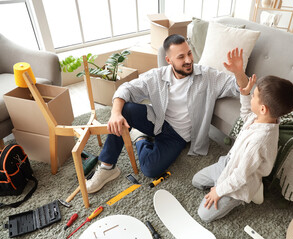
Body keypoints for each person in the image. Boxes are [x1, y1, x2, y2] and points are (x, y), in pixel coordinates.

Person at [86, 34, 249, 194]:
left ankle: (140, 138)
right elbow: (126, 88)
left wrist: (238, 73)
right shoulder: (156, 76)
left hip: (177, 135)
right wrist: (115, 114)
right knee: (124, 109)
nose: (188, 60)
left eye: (189, 53)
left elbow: (237, 87)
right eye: (181, 57)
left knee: (150, 169)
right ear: (169, 60)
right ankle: (107, 167)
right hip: (157, 120)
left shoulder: (207, 76)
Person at [192, 73, 293, 223]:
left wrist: (219, 191)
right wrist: (245, 94)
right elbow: (246, 113)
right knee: (196, 181)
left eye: (253, 96)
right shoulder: (261, 117)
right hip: (227, 164)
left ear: (263, 109)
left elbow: (241, 176)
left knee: (204, 215)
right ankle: (225, 184)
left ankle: (252, 190)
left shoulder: (259, 141)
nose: (251, 97)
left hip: (241, 183)